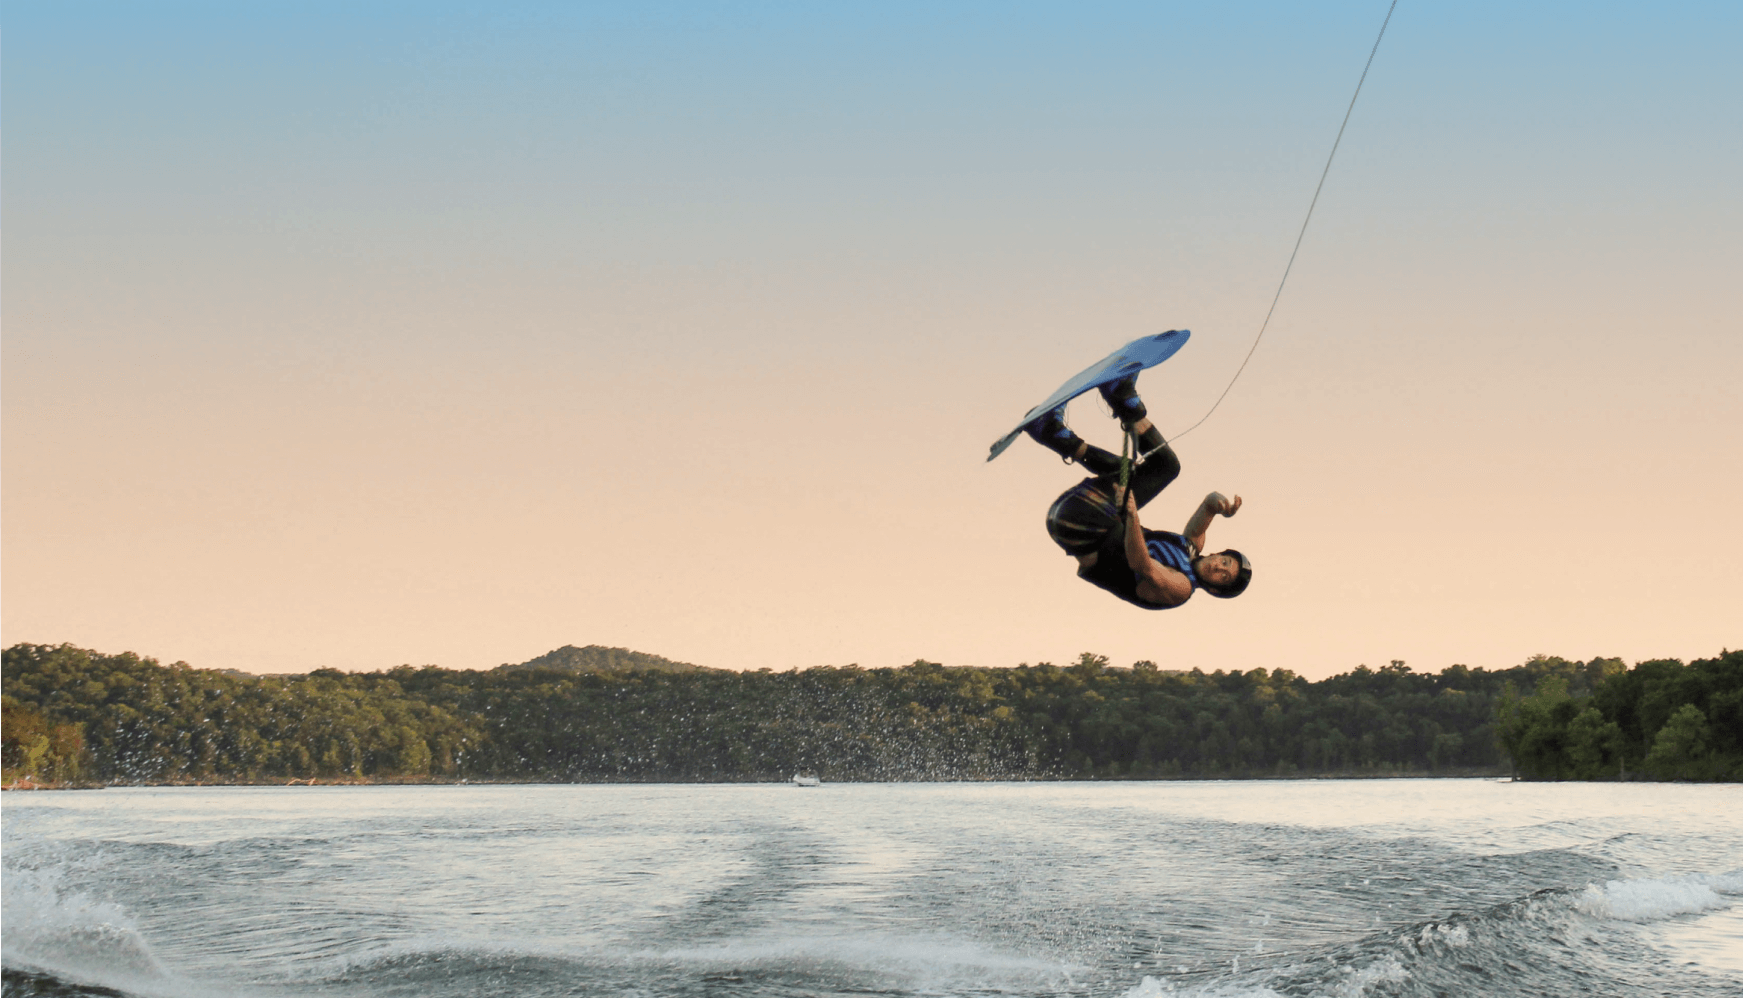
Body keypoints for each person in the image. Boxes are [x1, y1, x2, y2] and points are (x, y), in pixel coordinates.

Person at [1026, 374, 1250, 609]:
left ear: (1214, 589)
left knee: (1165, 468)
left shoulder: (1181, 589)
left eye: (1223, 576)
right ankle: (1051, 432)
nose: (1219, 567)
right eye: (1225, 561)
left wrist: (1132, 517)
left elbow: (1144, 567)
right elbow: (1209, 504)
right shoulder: (1189, 549)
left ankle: (1121, 398)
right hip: (1085, 515)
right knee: (1139, 470)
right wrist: (1222, 507)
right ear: (1218, 554)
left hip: (1086, 528)